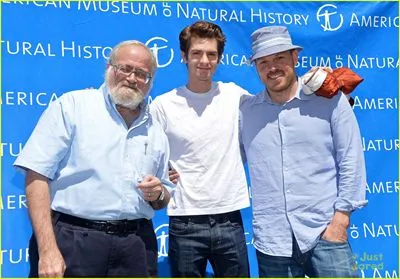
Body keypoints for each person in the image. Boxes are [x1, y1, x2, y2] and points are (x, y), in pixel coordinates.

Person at [14, 40, 173, 278]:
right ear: (109, 68)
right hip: (74, 243)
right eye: (125, 68)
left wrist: (158, 193)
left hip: (137, 247)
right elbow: (36, 175)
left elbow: (163, 195)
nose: (132, 78)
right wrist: (47, 251)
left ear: (150, 81)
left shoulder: (156, 128)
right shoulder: (72, 107)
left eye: (142, 73)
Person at [239, 26, 367, 278]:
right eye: (263, 61)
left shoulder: (331, 101)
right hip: (272, 242)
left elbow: (351, 160)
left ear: (295, 58)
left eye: (279, 58)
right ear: (256, 67)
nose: (272, 66)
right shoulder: (246, 111)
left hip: (325, 234)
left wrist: (340, 221)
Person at [150, 21, 250, 277]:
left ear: (219, 59)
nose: (204, 60)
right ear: (184, 56)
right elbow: (147, 151)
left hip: (229, 218)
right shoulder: (163, 105)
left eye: (211, 54)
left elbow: (273, 112)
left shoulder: (235, 96)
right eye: (197, 53)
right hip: (185, 220)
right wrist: (163, 171)